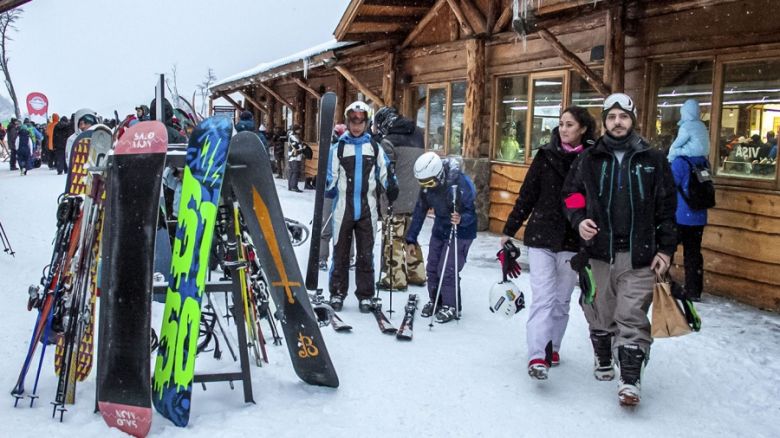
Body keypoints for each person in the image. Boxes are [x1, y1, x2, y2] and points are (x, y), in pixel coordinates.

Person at [562, 93, 677, 406]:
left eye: (623, 116)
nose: (617, 122)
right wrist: (579, 218)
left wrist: (666, 250)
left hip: (640, 254)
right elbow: (571, 194)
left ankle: (630, 380)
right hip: (598, 251)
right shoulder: (588, 158)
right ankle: (602, 355)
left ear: (633, 120)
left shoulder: (653, 159)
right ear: (603, 121)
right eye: (611, 117)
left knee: (631, 315)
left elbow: (667, 208)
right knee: (599, 310)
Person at [501, 106, 596, 380]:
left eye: (569, 125)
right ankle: (537, 355)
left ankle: (553, 346)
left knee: (561, 300)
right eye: (561, 124)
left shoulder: (592, 159)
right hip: (541, 236)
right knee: (543, 298)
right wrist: (510, 229)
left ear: (583, 129)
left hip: (572, 238)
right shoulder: (545, 156)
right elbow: (527, 196)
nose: (563, 129)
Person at [326, 101, 396, 313]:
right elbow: (330, 178)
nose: (357, 125)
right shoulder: (338, 148)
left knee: (366, 253)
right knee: (340, 252)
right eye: (353, 120)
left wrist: (392, 186)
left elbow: (385, 172)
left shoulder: (374, 148)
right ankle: (337, 292)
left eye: (361, 120)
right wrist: (326, 185)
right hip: (343, 208)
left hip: (368, 207)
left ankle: (365, 295)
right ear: (348, 121)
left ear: (366, 122)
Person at [405, 152, 476, 324]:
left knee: (447, 268)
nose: (427, 186)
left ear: (439, 175)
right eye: (422, 183)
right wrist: (411, 238)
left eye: (429, 182)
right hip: (440, 228)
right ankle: (436, 300)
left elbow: (471, 212)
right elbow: (420, 210)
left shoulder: (459, 182)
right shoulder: (427, 188)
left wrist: (461, 219)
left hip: (461, 230)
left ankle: (451, 305)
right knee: (433, 267)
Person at [372, 106, 427, 291]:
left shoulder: (388, 141)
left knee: (392, 239)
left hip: (395, 198)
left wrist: (382, 197)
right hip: (416, 197)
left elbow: (386, 173)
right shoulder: (418, 135)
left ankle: (395, 279)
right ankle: (416, 273)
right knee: (411, 237)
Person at [667, 99, 710, 302]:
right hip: (699, 215)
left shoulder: (680, 162)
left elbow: (669, 185)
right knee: (693, 254)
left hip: (679, 214)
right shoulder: (704, 160)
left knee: (667, 250)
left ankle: (662, 284)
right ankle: (694, 290)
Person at [287, 125, 304, 192]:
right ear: (295, 130)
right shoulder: (293, 137)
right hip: (294, 157)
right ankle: (293, 186)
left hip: (294, 156)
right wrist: (302, 148)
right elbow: (296, 146)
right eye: (298, 129)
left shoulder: (294, 136)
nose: (299, 131)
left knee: (292, 171)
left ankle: (291, 186)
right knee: (295, 172)